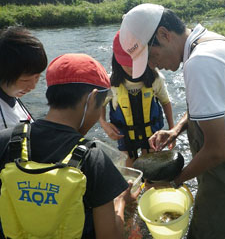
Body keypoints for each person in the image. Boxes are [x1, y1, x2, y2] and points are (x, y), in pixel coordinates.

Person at [119, 3, 225, 239]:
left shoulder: (200, 62)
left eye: (151, 56)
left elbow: (218, 150)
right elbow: (216, 104)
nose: (152, 65)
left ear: (164, 35)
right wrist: (176, 129)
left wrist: (174, 181)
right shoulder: (210, 43)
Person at [0, 53, 139, 239]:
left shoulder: (6, 140)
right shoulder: (94, 159)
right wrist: (120, 201)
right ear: (92, 99)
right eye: (103, 103)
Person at [99, 31, 175, 167]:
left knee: (151, 164)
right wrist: (103, 123)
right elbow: (100, 105)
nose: (132, 67)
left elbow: (165, 102)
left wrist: (172, 129)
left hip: (151, 133)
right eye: (127, 63)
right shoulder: (111, 82)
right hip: (125, 135)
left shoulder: (155, 78)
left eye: (136, 62)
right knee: (128, 166)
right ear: (116, 60)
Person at [0, 26, 47, 130]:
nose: (33, 86)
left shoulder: (10, 94)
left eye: (37, 77)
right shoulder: (2, 122)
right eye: (25, 80)